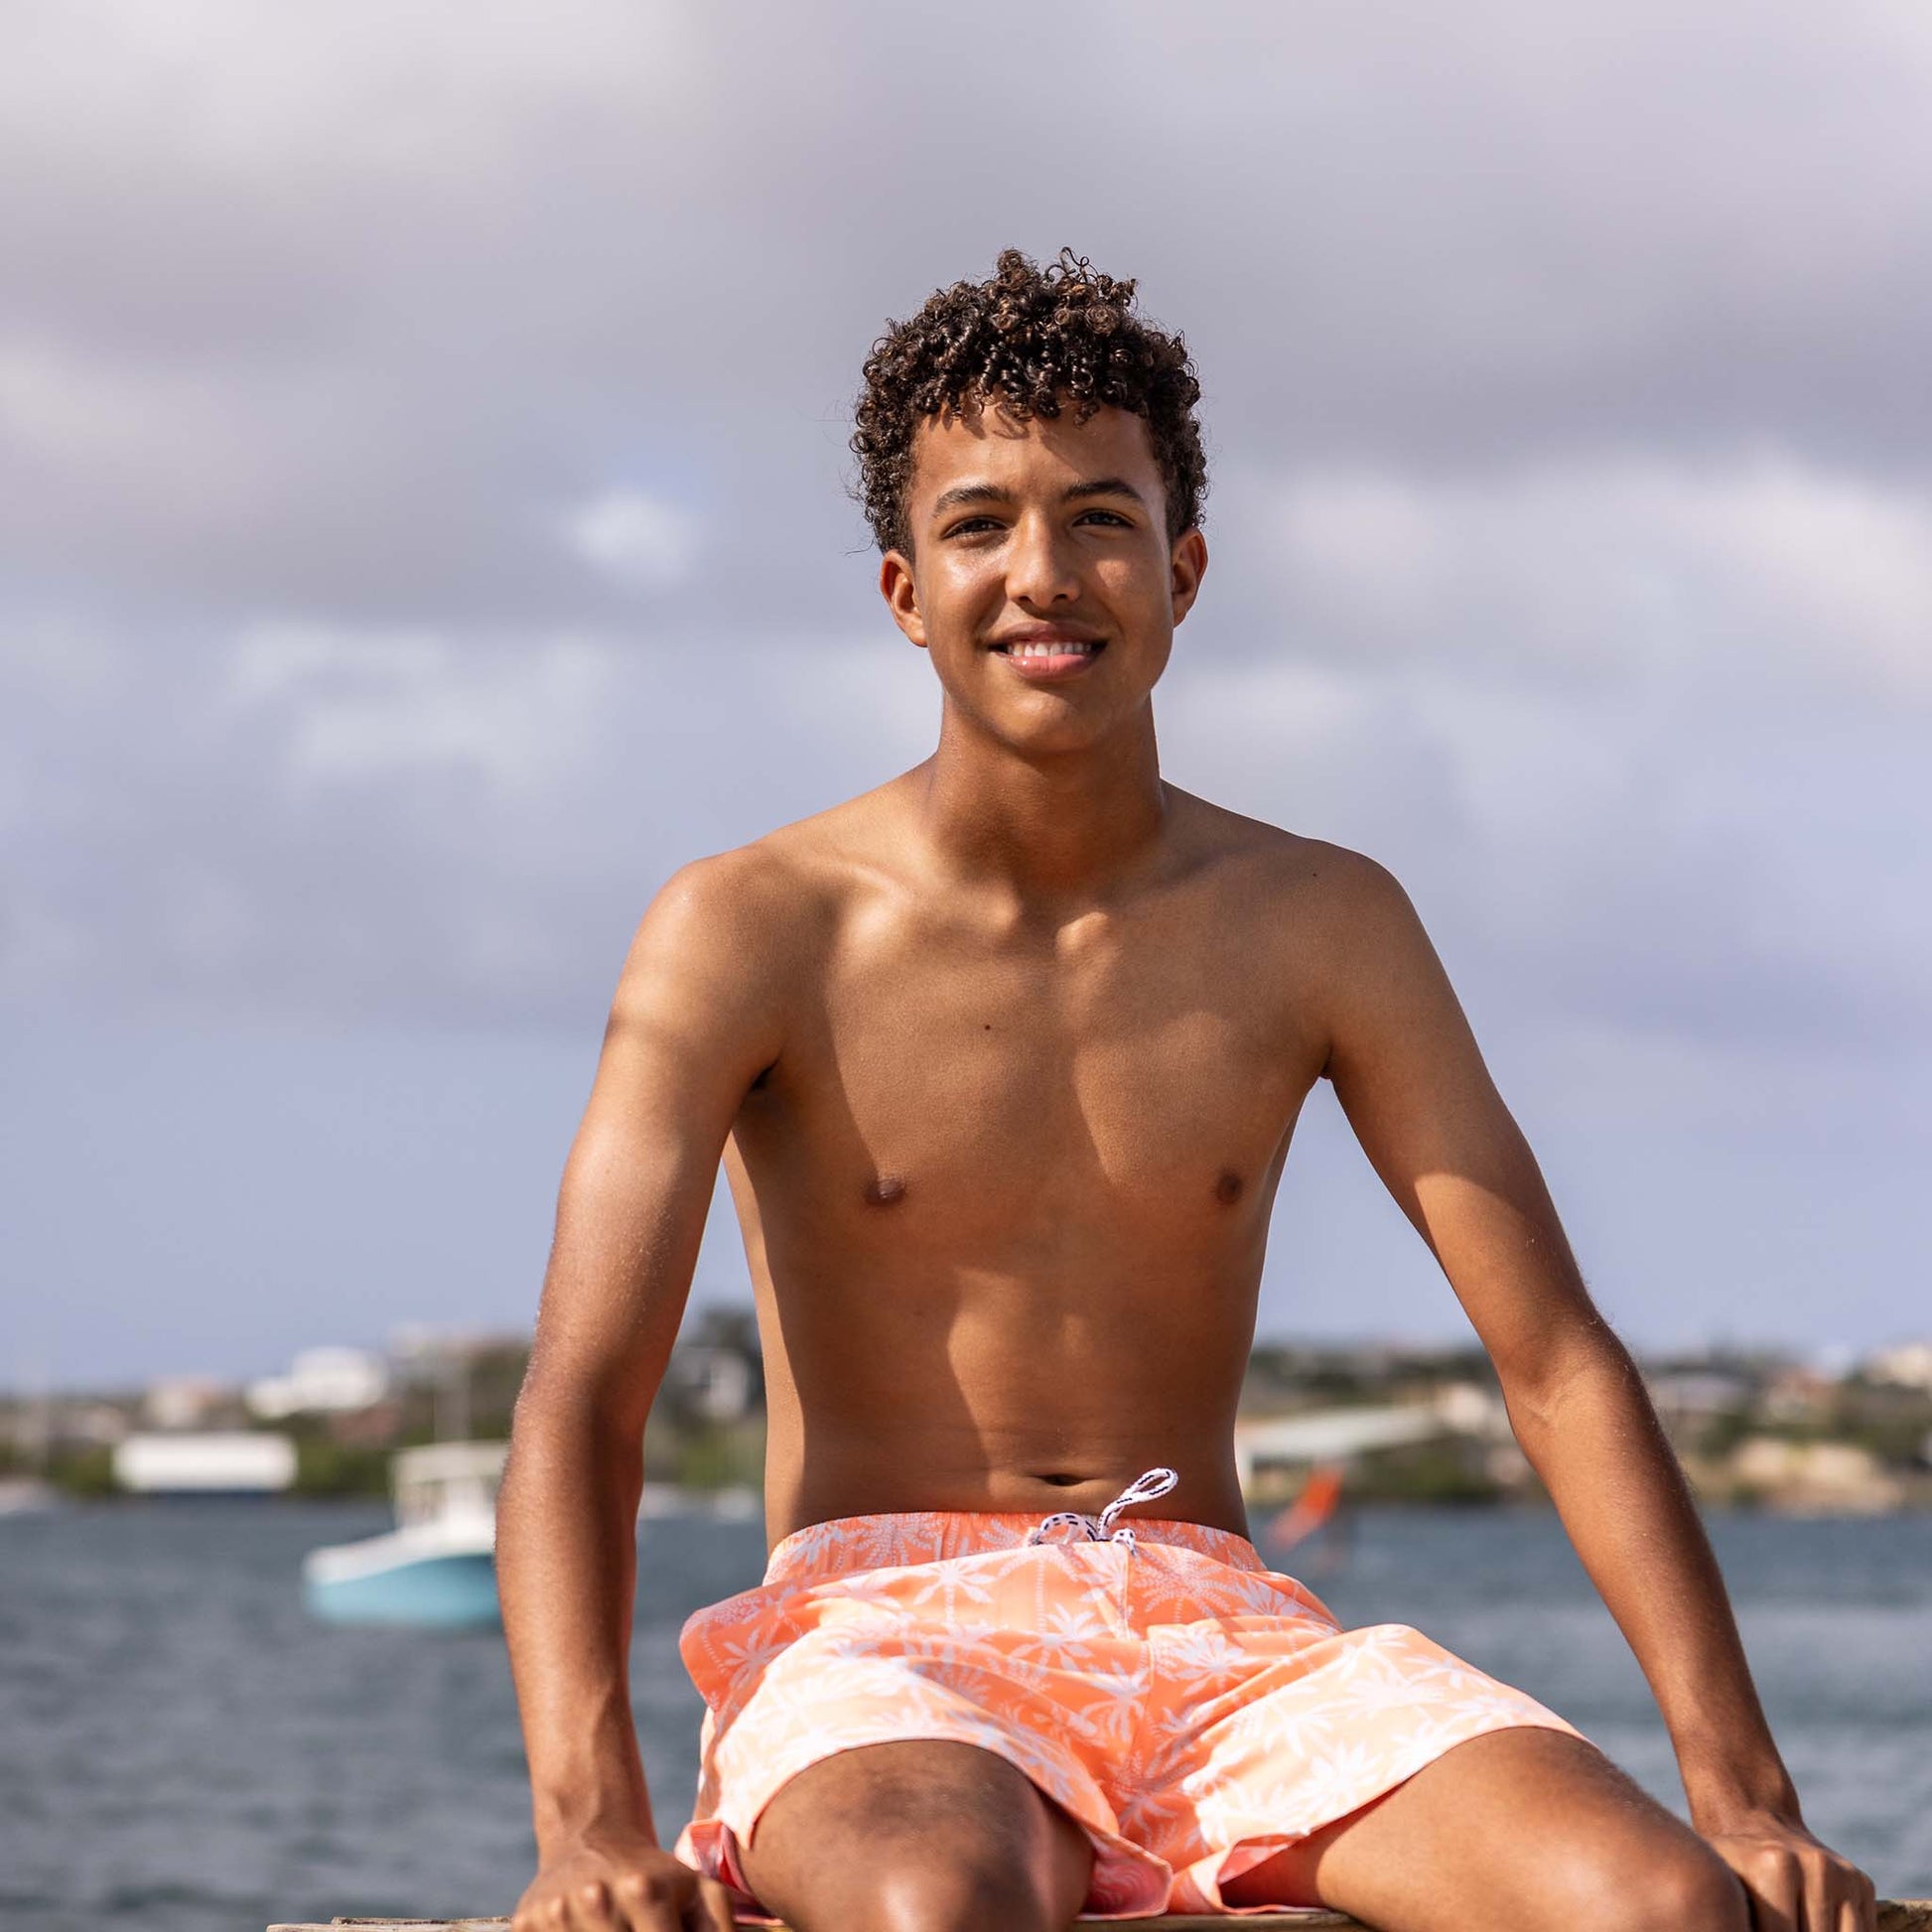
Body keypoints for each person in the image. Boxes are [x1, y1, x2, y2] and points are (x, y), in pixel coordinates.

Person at [498, 248, 1873, 1932]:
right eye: (978, 524)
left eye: (1098, 516)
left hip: (1228, 1640)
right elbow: (583, 1396)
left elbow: (1552, 1356)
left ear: (1182, 565)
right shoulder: (747, 925)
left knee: (1654, 1907)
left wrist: (1742, 1797)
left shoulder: (1319, 920)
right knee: (940, 1903)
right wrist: (587, 1824)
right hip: (884, 1642)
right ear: (902, 589)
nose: (1043, 574)